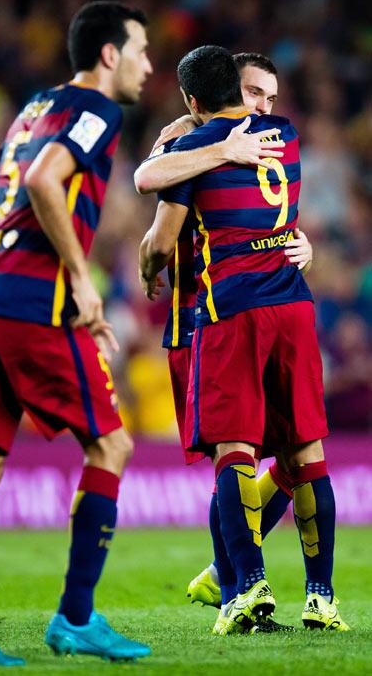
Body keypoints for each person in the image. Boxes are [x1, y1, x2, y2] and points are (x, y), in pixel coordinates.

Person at [0, 1, 153, 667]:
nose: (147, 64)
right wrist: (82, 280)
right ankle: (76, 618)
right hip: (33, 297)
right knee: (110, 443)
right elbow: (42, 179)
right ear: (109, 55)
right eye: (139, 51)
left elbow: (19, 176)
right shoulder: (97, 107)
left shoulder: (33, 106)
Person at [138, 45, 348, 634]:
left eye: (271, 98)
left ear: (195, 98)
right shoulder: (278, 135)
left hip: (224, 311)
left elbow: (152, 210)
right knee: (298, 451)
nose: (263, 106)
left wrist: (147, 262)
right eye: (255, 92)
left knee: (236, 451)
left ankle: (241, 586)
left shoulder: (194, 148)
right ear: (234, 86)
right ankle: (307, 593)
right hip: (281, 310)